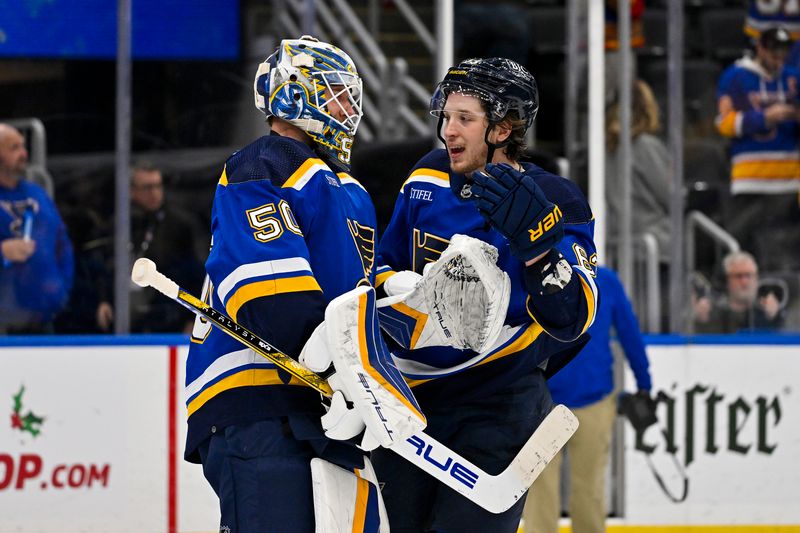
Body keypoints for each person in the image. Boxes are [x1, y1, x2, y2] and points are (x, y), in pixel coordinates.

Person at [183, 36, 424, 532]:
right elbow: (268, 292)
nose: (348, 110)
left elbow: (341, 286)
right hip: (260, 404)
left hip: (321, 407)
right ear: (295, 95)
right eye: (335, 94)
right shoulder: (263, 164)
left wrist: (391, 288)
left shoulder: (347, 189)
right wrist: (350, 375)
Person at [371, 58, 598, 533]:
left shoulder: (557, 200)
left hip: (497, 405)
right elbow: (379, 263)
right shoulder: (425, 178)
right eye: (446, 116)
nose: (447, 131)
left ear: (503, 128)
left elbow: (576, 316)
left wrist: (539, 253)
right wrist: (396, 284)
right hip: (409, 403)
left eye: (464, 119)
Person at [523, 265, 653, 533]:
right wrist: (643, 383)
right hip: (543, 404)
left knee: (587, 488)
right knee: (543, 488)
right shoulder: (532, 277)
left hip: (587, 401)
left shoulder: (605, 281)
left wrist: (644, 381)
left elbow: (628, 330)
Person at [716, 27, 800, 271]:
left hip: (789, 183)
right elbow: (724, 123)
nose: (778, 60)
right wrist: (763, 118)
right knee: (749, 255)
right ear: (760, 47)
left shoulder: (793, 78)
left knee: (787, 260)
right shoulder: (735, 76)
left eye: (783, 54)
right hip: (750, 181)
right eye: (773, 53)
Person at [94, 161, 204, 333]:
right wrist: (103, 300)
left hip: (168, 315)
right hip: (125, 314)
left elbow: (195, 275)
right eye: (147, 187)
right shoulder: (118, 224)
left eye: (157, 186)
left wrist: (192, 318)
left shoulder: (180, 225)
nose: (154, 193)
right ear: (132, 191)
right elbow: (104, 265)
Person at [0, 123, 74, 334]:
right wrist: (2, 252)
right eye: (13, 148)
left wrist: (62, 287)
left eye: (23, 147)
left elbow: (62, 242)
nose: (24, 154)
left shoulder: (37, 194)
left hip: (44, 318)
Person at [693, 250, 784, 333]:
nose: (744, 282)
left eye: (748, 275)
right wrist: (700, 320)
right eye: (738, 276)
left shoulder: (766, 313)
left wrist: (774, 316)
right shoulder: (712, 312)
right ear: (726, 281)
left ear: (756, 279)